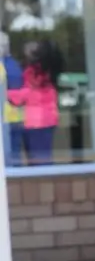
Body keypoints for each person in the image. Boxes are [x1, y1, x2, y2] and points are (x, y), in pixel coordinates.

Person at [10, 39, 60, 164]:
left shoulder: (35, 72)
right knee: (41, 158)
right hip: (45, 120)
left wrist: (5, 93)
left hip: (37, 122)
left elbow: (28, 94)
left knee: (39, 161)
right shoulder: (47, 70)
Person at [0, 33, 24, 165]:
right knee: (15, 154)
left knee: (9, 155)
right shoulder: (14, 65)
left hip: (7, 116)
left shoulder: (5, 66)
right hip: (15, 115)